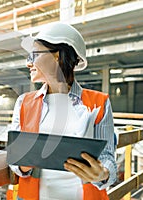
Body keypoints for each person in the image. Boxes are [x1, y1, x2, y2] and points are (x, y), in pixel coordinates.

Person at [9, 22, 117, 200]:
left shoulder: (99, 102)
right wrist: (24, 163)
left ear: (56, 56)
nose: (28, 63)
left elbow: (107, 158)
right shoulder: (23, 103)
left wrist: (102, 174)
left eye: (34, 55)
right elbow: (14, 160)